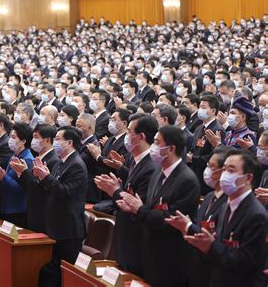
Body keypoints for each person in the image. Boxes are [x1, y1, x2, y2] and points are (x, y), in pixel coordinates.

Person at [117, 125, 200, 287]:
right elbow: (150, 208)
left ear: (171, 149)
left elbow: (171, 219)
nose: (153, 146)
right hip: (149, 252)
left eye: (157, 142)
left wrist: (140, 210)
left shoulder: (187, 180)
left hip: (170, 256)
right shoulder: (158, 173)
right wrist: (136, 209)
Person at [184, 149, 267, 287]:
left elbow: (246, 261)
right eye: (224, 169)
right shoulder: (226, 205)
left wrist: (211, 246)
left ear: (248, 178)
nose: (225, 175)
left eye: (231, 170)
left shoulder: (256, 214)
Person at [95, 113, 159, 277]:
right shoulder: (136, 160)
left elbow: (137, 205)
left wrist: (115, 191)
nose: (126, 136)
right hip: (125, 236)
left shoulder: (151, 166)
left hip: (136, 240)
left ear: (141, 136)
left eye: (129, 131)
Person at [166, 146, 230, 287]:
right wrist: (185, 227)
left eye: (211, 166)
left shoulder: (228, 202)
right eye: (207, 165)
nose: (207, 169)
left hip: (211, 270)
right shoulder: (208, 196)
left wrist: (188, 226)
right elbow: (199, 224)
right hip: (194, 265)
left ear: (223, 172)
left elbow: (213, 237)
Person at [33, 126, 87, 287]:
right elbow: (53, 187)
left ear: (69, 142)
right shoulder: (62, 162)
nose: (54, 142)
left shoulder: (76, 164)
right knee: (51, 273)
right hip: (57, 226)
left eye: (57, 139)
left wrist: (46, 177)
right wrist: (41, 177)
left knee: (60, 275)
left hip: (68, 230)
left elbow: (64, 192)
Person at [11, 124, 61, 233]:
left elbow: (42, 187)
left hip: (42, 211)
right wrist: (20, 173)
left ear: (47, 140)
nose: (33, 140)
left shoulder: (54, 160)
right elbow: (28, 185)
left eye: (36, 137)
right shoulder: (38, 158)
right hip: (32, 208)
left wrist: (24, 172)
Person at [0, 122, 34, 227]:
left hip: (18, 210)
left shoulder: (27, 159)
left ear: (23, 141)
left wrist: (3, 177)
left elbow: (22, 188)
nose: (10, 140)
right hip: (7, 207)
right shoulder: (15, 155)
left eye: (13, 137)